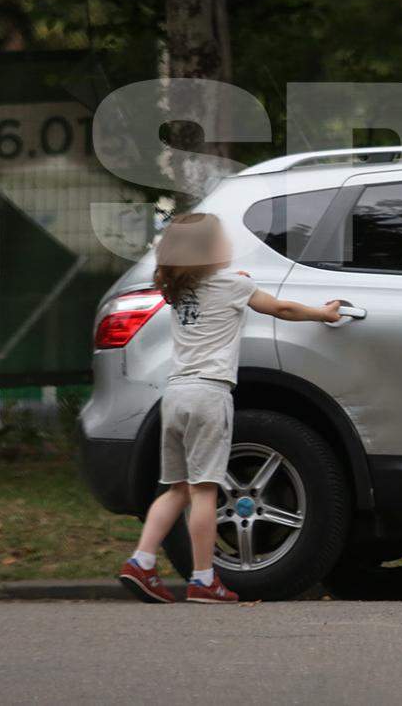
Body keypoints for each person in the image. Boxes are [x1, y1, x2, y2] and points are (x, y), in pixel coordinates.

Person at [117, 212, 344, 604]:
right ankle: (204, 579)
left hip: (175, 396)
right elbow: (280, 310)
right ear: (209, 249)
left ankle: (142, 559)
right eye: (221, 240)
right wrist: (322, 313)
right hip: (209, 394)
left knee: (176, 488)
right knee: (205, 491)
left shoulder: (177, 289)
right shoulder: (232, 286)